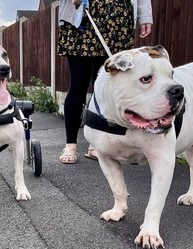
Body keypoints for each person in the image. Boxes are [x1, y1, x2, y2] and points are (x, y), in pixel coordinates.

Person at [58, 0, 153, 163]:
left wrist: (145, 15)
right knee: (78, 85)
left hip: (117, 20)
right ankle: (70, 144)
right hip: (83, 16)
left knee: (105, 88)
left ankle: (97, 144)